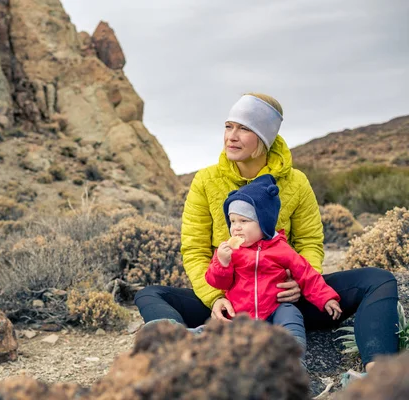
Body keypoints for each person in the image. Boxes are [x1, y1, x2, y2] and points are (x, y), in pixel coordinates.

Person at [134, 93, 398, 374]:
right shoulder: (206, 180)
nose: (231, 137)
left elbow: (310, 242)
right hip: (232, 305)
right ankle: (175, 351)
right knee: (150, 294)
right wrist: (215, 298)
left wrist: (299, 283)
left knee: (378, 280)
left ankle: (379, 374)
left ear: (265, 138)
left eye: (244, 128)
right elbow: (195, 249)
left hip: (284, 302)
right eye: (228, 126)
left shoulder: (296, 182)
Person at [205, 173, 342, 366]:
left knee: (290, 314)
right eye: (233, 221)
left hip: (274, 309)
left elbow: (306, 274)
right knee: (222, 328)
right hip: (241, 313)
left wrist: (326, 297)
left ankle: (293, 358)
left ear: (264, 222)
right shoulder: (229, 252)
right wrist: (222, 263)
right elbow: (217, 282)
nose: (236, 228)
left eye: (244, 221)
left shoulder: (281, 249)